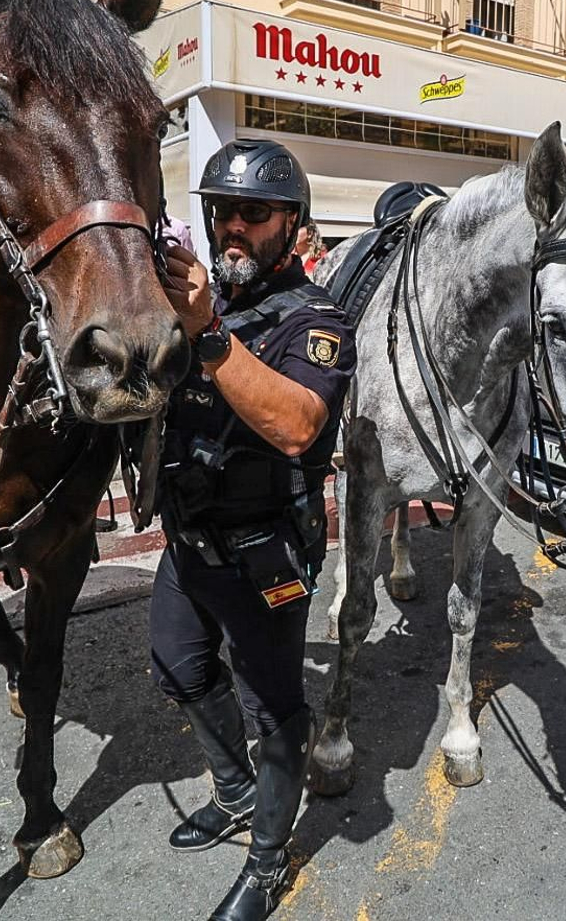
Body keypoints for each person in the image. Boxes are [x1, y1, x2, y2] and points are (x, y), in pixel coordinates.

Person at [150, 139, 355, 921]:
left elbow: (298, 424)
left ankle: (267, 863)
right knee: (176, 666)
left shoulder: (317, 318)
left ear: (291, 224)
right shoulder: (209, 303)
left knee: (274, 709)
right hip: (189, 536)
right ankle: (236, 792)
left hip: (264, 548)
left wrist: (207, 333)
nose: (233, 227)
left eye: (254, 213)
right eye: (222, 211)